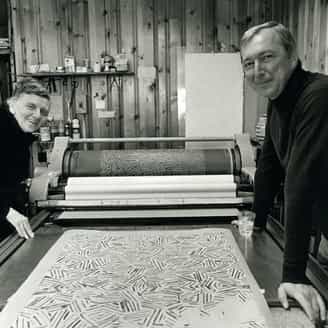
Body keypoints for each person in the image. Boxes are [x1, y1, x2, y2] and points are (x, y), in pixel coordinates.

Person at [240, 21, 328, 324]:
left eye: (267, 57)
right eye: (248, 63)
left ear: (291, 57)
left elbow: (299, 183)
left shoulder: (318, 96)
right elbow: (270, 164)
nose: (256, 70)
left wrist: (293, 277)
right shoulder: (279, 101)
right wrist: (257, 220)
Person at [0, 78, 50, 241]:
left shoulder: (19, 136)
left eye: (43, 112)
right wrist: (6, 211)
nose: (37, 115)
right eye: (30, 107)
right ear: (12, 104)